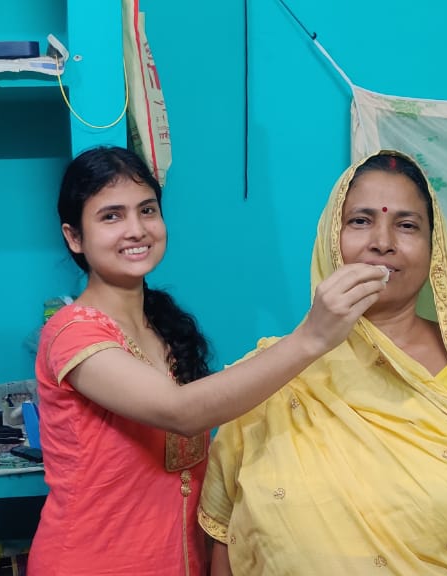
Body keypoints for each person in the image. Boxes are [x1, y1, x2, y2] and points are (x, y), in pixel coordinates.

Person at [198, 151, 447, 575]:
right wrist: (311, 340)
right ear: (332, 237)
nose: (382, 242)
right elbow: (225, 536)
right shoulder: (269, 375)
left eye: (406, 225)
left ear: (434, 250)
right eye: (361, 221)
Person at [28, 146, 389, 575]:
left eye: (147, 210)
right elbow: (181, 412)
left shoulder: (163, 325)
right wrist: (311, 338)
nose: (136, 229)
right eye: (111, 216)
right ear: (74, 237)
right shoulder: (72, 333)